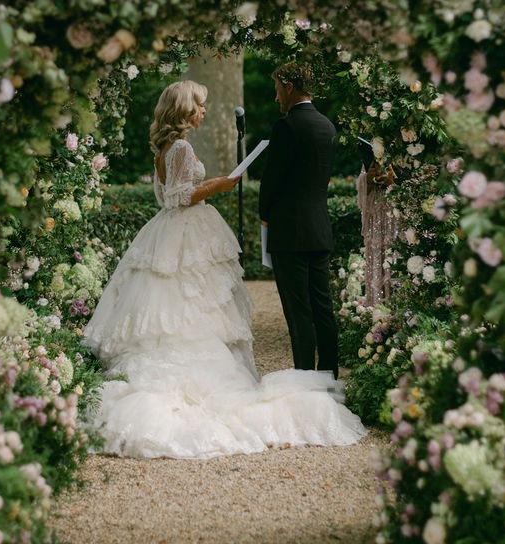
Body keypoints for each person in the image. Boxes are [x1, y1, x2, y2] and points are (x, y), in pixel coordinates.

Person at [82, 80, 366, 459]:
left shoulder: (166, 146)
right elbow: (180, 196)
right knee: (194, 300)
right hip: (184, 229)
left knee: (177, 305)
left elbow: (171, 193)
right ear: (183, 110)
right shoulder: (181, 146)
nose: (203, 112)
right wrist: (223, 183)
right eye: (199, 106)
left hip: (166, 231)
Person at [258, 62, 339, 378]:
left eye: (277, 86)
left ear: (289, 86)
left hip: (289, 233)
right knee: (323, 309)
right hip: (319, 229)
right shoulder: (327, 126)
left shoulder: (286, 126)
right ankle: (329, 378)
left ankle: (305, 383)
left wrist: (265, 215)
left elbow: (271, 181)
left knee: (298, 313)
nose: (276, 94)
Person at [356, 158, 399, 305]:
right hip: (377, 218)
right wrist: (368, 179)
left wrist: (391, 184)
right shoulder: (375, 153)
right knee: (378, 264)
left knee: (396, 262)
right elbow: (362, 198)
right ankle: (379, 316)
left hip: (397, 219)